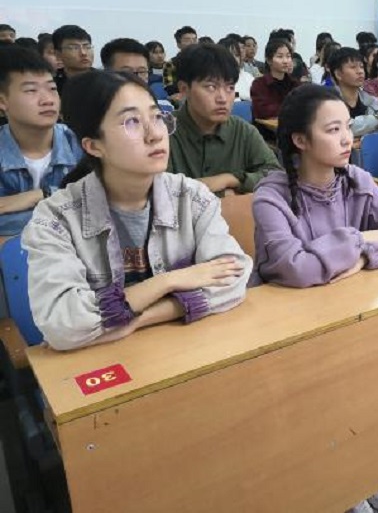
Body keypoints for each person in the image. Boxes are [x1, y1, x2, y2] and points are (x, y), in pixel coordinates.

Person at [250, 84, 378, 513]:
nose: (347, 138)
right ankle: (340, 484)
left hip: (352, 311)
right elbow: (296, 269)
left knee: (371, 389)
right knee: (322, 402)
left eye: (347, 126)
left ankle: (367, 472)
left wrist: (359, 258)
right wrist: (360, 239)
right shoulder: (272, 196)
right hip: (292, 327)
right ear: (300, 140)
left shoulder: (357, 180)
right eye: (332, 129)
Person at [21, 70, 249, 351]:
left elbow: (234, 277)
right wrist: (169, 281)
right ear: (94, 146)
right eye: (131, 122)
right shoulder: (56, 218)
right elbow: (63, 324)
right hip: (100, 357)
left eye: (157, 117)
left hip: (183, 348)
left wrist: (141, 318)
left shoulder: (192, 197)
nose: (154, 134)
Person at [168, 43, 281, 195]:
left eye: (230, 88)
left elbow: (276, 176)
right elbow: (156, 190)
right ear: (184, 89)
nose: (223, 98)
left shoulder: (242, 131)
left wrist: (230, 179)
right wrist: (223, 193)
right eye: (211, 87)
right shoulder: (163, 132)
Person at [0, 46, 82, 235]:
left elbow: (102, 203)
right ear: (2, 101)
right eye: (31, 90)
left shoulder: (79, 144)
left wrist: (42, 195)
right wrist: (64, 203)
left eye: (52, 88)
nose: (48, 100)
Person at [327, 47, 378, 137]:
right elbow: (343, 127)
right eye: (353, 67)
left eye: (361, 67)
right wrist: (376, 120)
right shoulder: (329, 102)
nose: (360, 71)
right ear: (338, 74)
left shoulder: (368, 99)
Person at [251, 38, 300, 132]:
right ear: (269, 60)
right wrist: (290, 109)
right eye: (280, 57)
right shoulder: (259, 84)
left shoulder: (295, 84)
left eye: (288, 56)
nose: (285, 61)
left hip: (290, 130)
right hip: (266, 133)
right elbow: (263, 111)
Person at [52, 25, 94, 94]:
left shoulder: (106, 82)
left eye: (87, 47)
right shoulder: (53, 86)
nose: (83, 53)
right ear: (58, 54)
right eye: (74, 48)